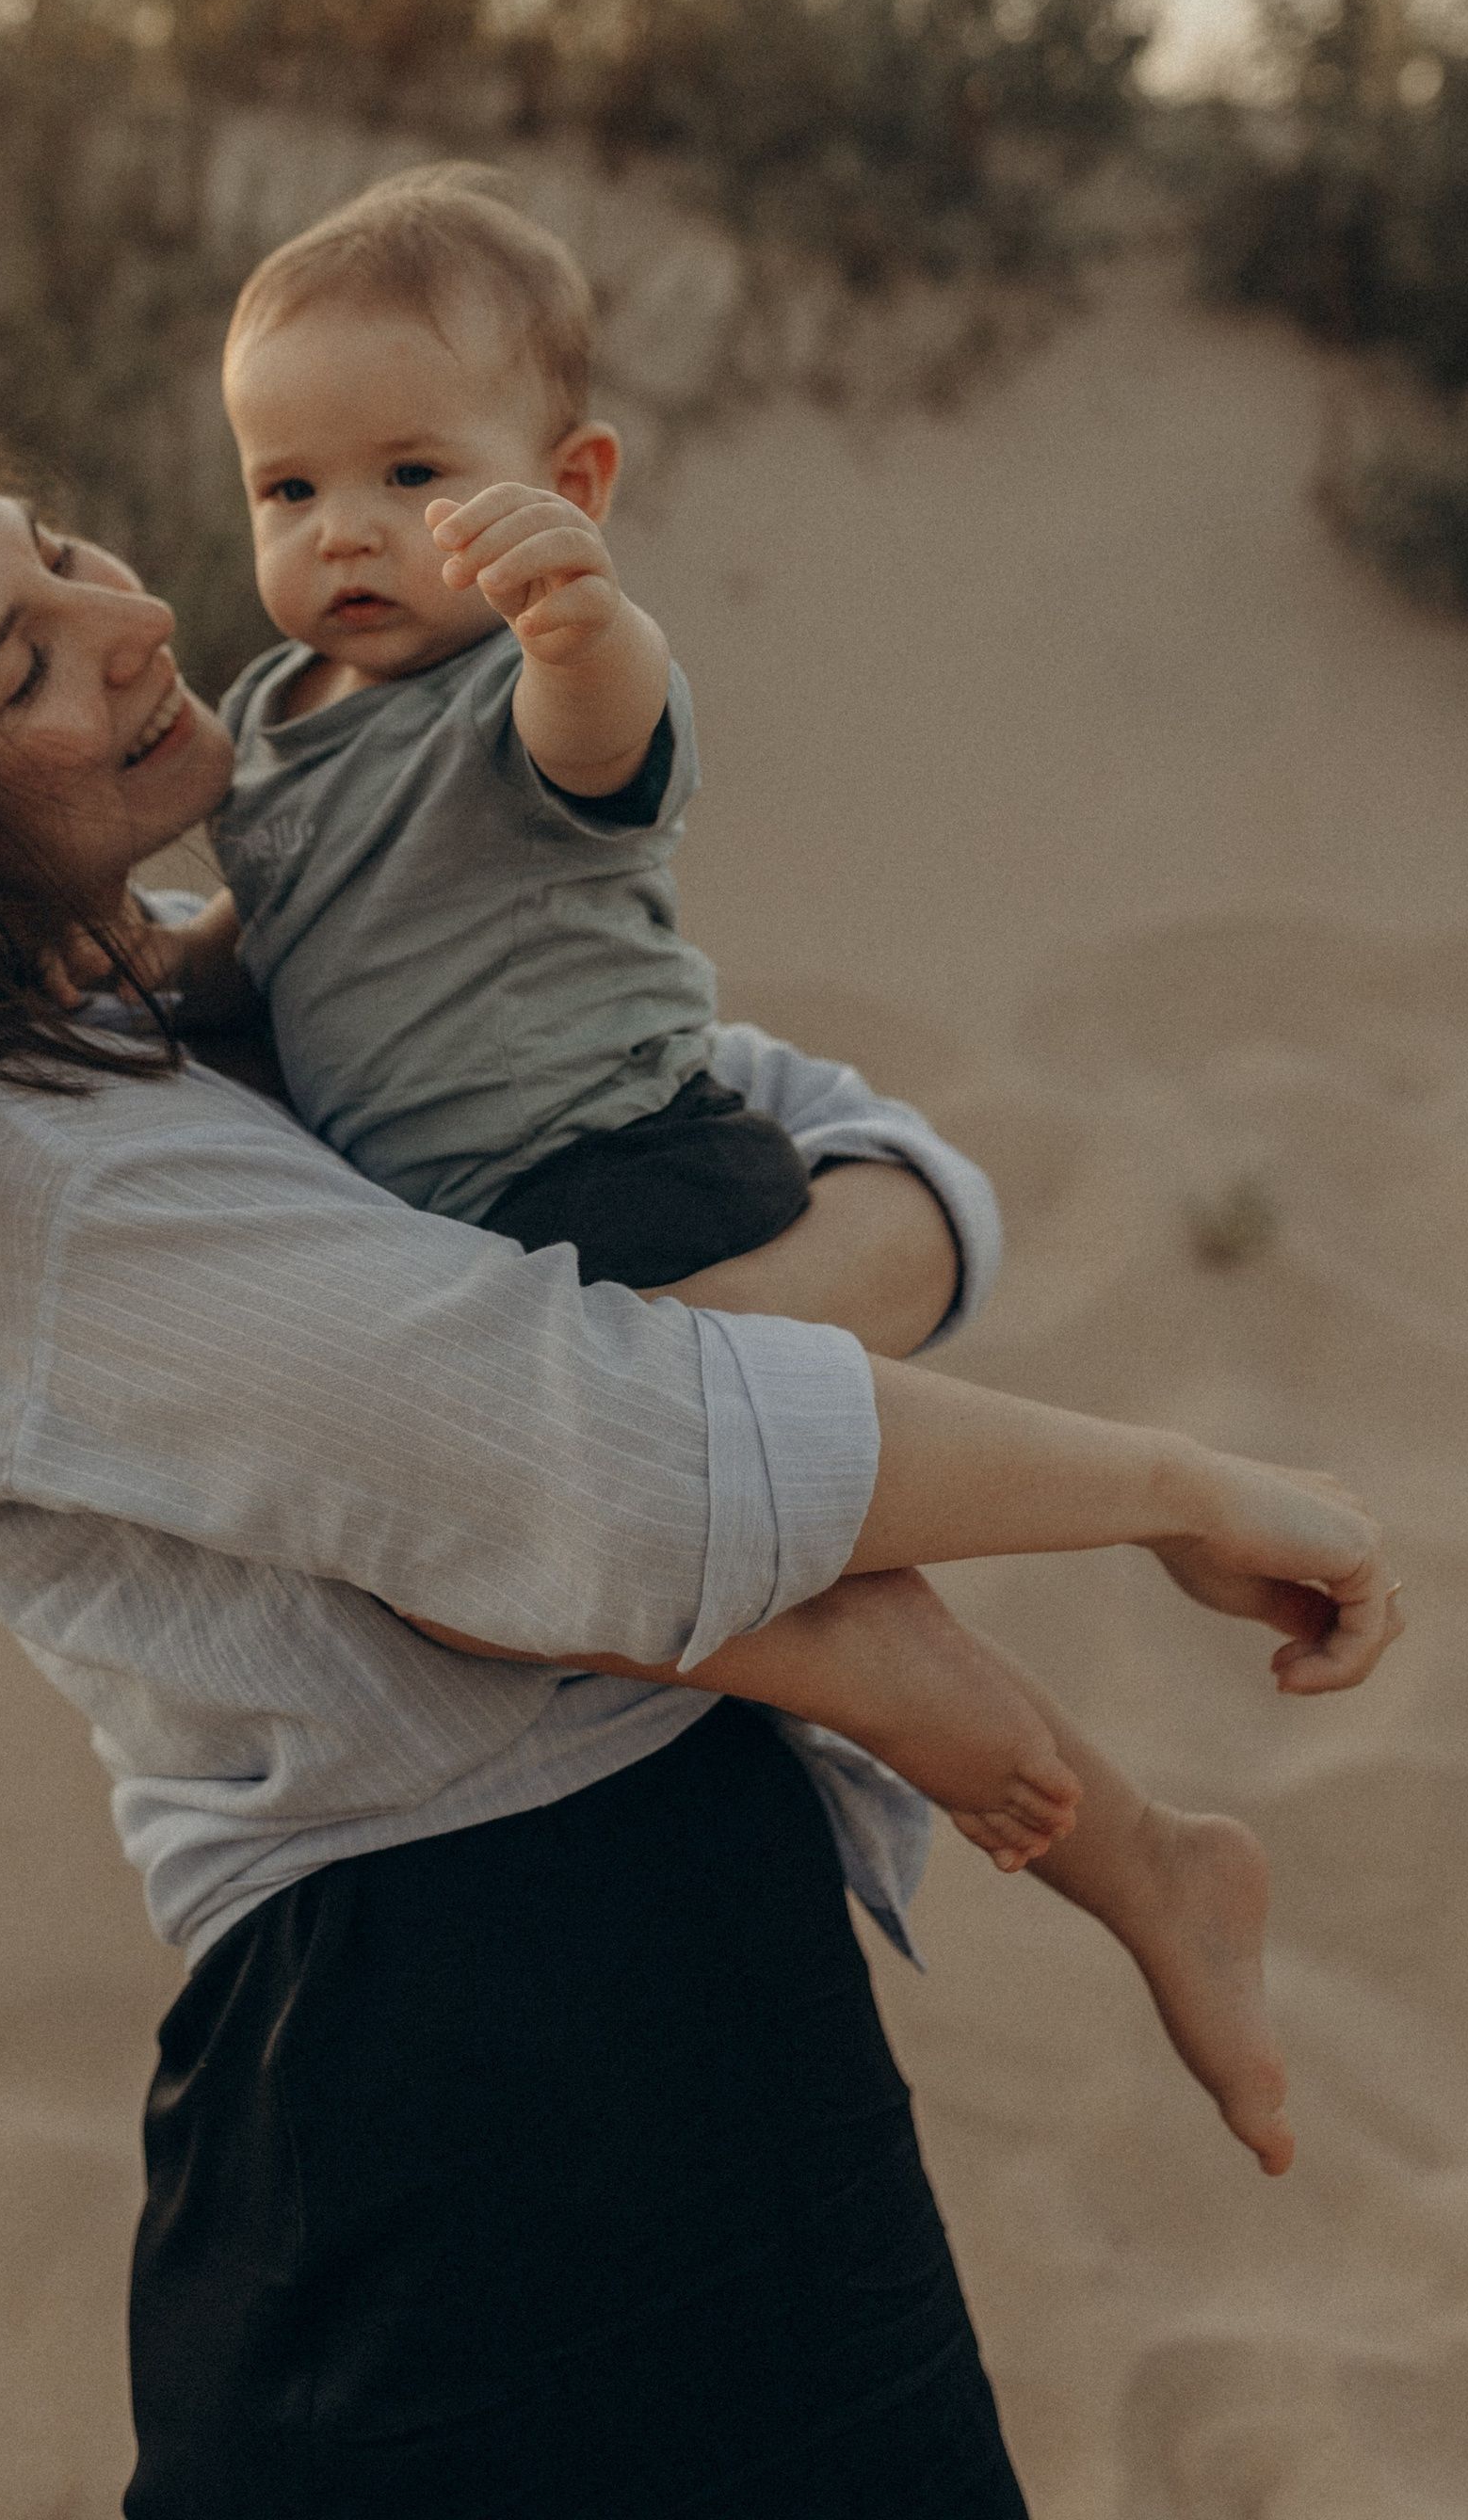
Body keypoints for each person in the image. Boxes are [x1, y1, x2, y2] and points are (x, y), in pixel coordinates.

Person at [0, 416, 1401, 2520]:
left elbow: (722, 1097)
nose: (136, 612)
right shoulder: (38, 1204)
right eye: (22, 663)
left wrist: (851, 1242)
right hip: (458, 2128)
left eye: (57, 546)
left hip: (682, 2006)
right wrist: (1169, 1484)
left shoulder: (205, 980)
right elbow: (604, 1464)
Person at [171, 165, 1317, 2159]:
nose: (341, 530)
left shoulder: (518, 688)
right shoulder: (276, 724)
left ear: (570, 475)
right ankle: (1134, 1848)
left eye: (411, 472)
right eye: (286, 489)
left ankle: (1070, 1724)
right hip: (495, 1230)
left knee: (642, 1537)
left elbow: (602, 746)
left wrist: (574, 616)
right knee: (714, 1558)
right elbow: (282, 952)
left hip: (625, 1176)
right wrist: (157, 970)